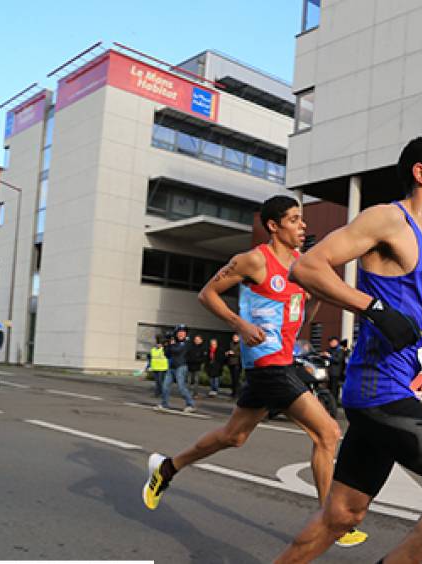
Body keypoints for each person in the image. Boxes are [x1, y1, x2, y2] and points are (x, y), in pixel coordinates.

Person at [280, 134, 422, 563]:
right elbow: (306, 268)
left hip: (401, 392)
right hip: (381, 391)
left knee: (342, 515)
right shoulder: (387, 219)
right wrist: (373, 307)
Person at [141, 195, 368, 548]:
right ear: (274, 226)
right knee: (327, 433)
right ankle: (331, 522)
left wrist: (316, 297)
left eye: (302, 219)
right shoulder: (253, 260)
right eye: (294, 219)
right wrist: (240, 324)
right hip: (268, 363)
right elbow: (207, 294)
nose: (303, 225)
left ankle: (167, 468)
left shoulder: (301, 266)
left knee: (234, 436)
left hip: (283, 361)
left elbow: (302, 319)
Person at [159, 325, 196, 413]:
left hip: (181, 367)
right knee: (165, 386)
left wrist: (171, 344)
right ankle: (164, 404)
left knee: (181, 387)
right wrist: (166, 344)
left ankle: (190, 405)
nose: (181, 334)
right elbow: (167, 354)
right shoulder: (174, 342)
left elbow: (177, 350)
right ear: (176, 333)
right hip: (171, 367)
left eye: (183, 332)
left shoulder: (186, 342)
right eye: (179, 332)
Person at [322, 336, 345, 404]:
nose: (331, 343)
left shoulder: (340, 350)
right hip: (329, 372)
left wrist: (329, 356)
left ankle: (334, 403)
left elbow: (338, 360)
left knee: (334, 389)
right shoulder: (330, 349)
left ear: (336, 342)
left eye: (332, 342)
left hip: (336, 373)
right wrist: (323, 355)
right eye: (330, 342)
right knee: (329, 388)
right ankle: (330, 402)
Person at [225, 333, 243, 398]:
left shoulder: (241, 344)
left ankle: (237, 393)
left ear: (239, 338)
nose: (234, 338)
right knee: (233, 379)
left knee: (236, 379)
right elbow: (228, 350)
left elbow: (241, 353)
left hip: (237, 363)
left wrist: (234, 353)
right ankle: (233, 392)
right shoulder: (231, 343)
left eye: (235, 337)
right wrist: (227, 353)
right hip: (231, 363)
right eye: (233, 337)